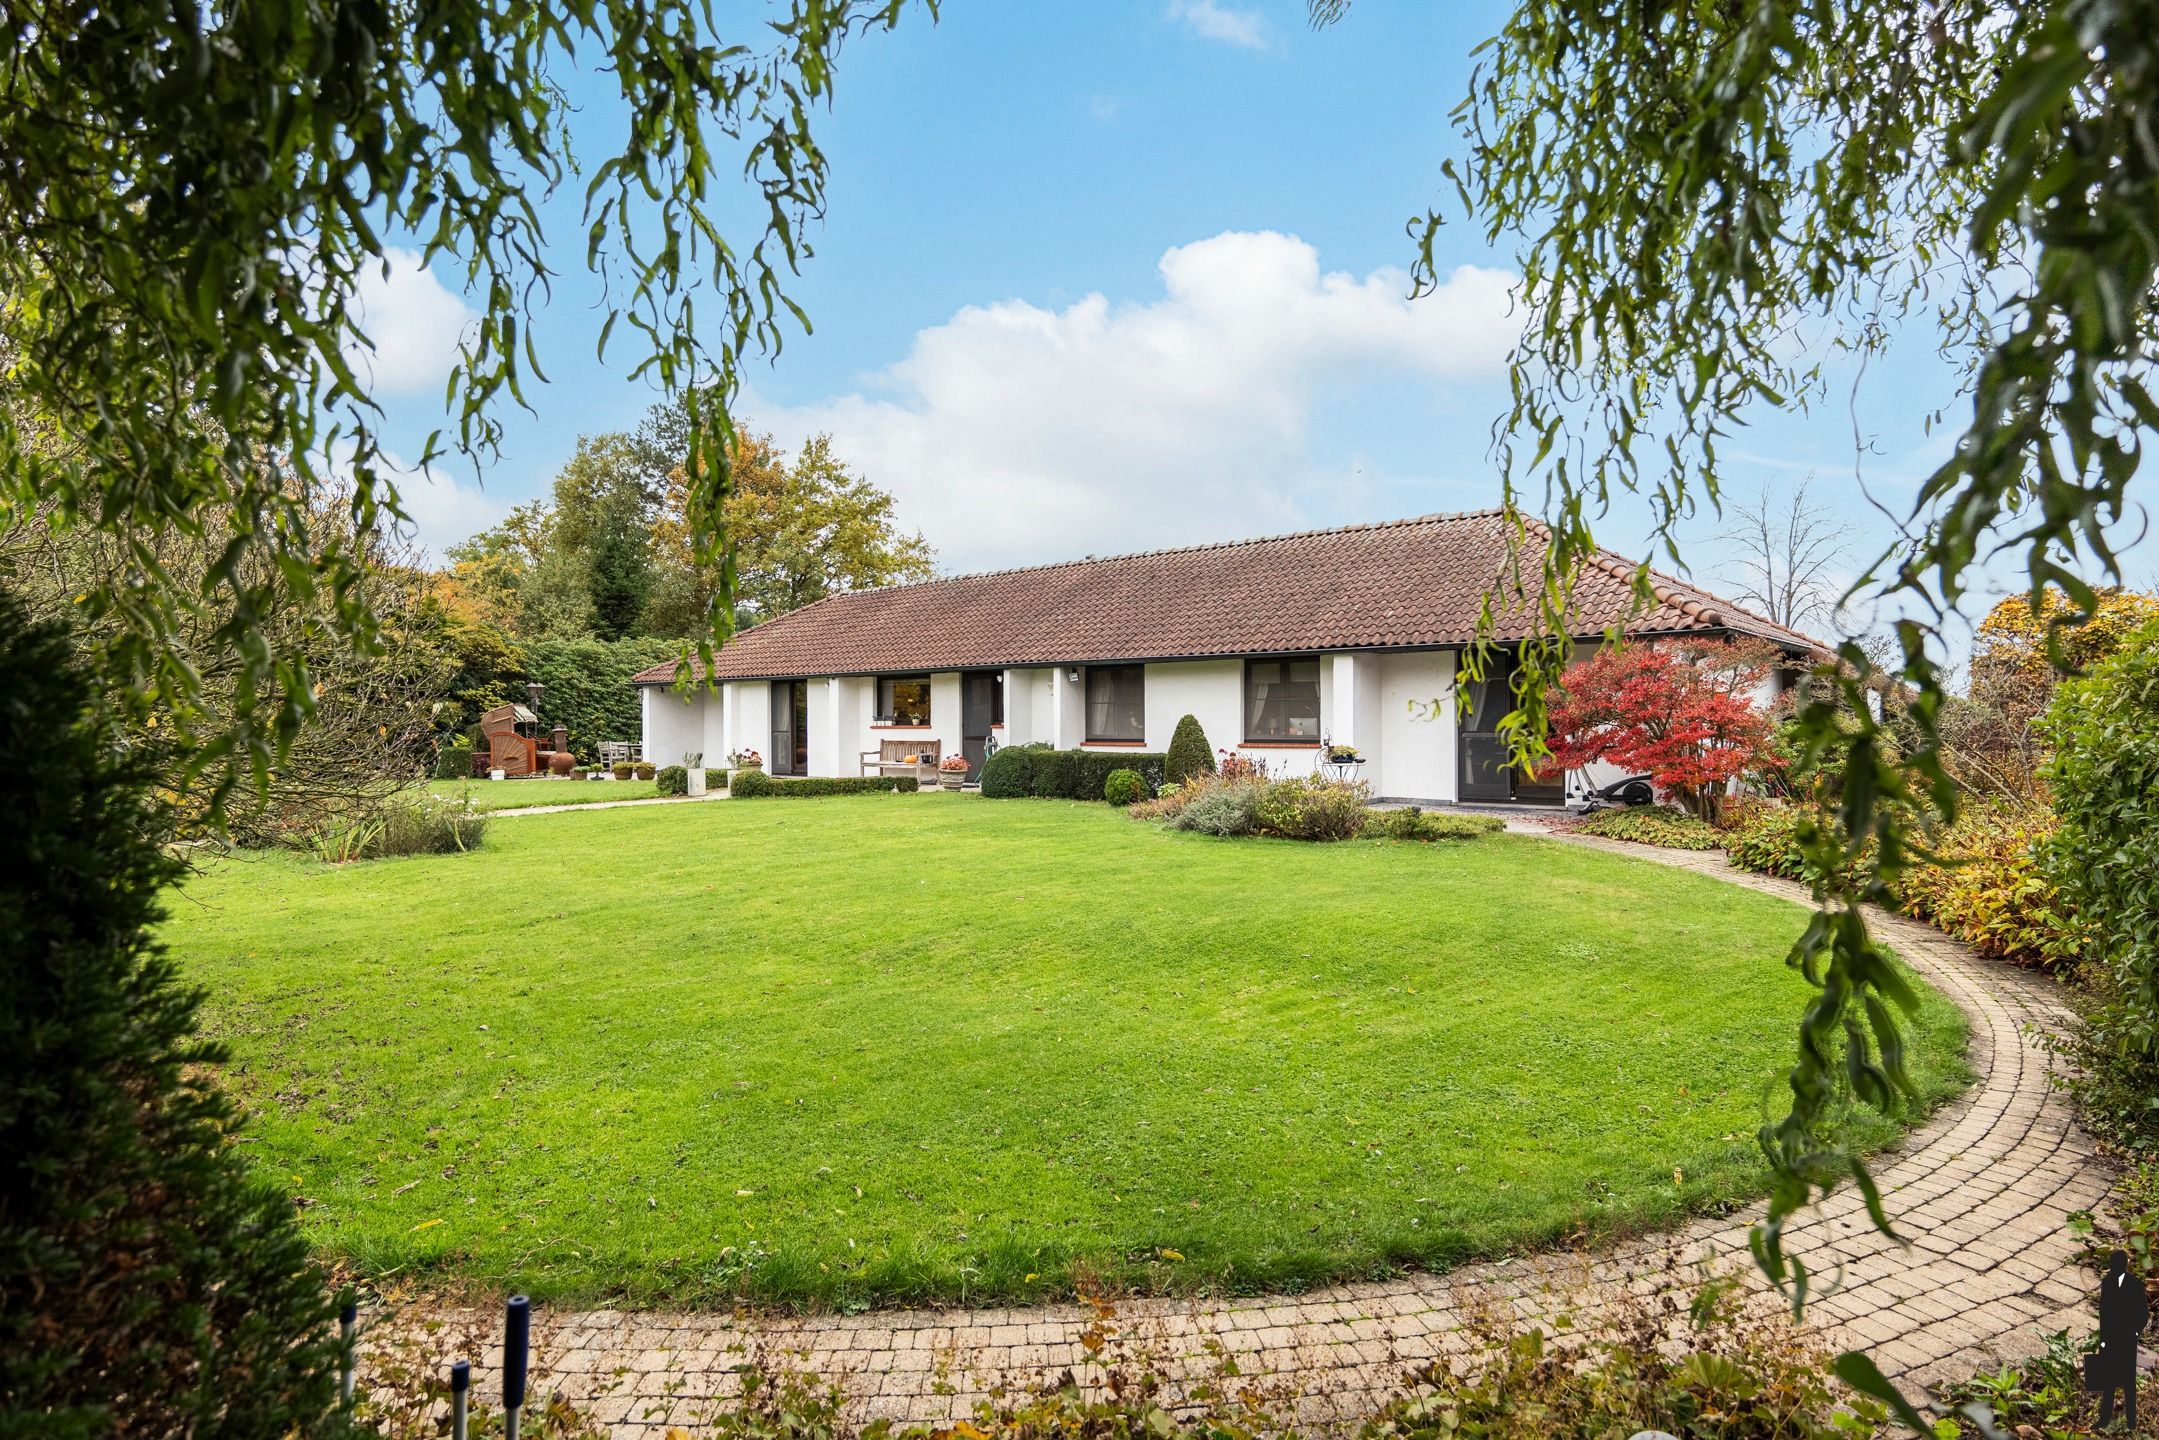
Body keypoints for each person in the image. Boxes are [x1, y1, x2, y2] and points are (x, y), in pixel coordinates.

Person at [2088, 1248, 2148, 1430]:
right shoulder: (2107, 1283)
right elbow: (2104, 1313)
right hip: (2111, 1338)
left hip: (2127, 1338)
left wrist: (2135, 1332)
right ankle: (2104, 1418)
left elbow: (2142, 1312)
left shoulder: (2134, 1284)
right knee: (2108, 1380)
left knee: (2128, 1381)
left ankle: (2131, 1420)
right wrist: (2103, 1338)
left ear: (2124, 1265)